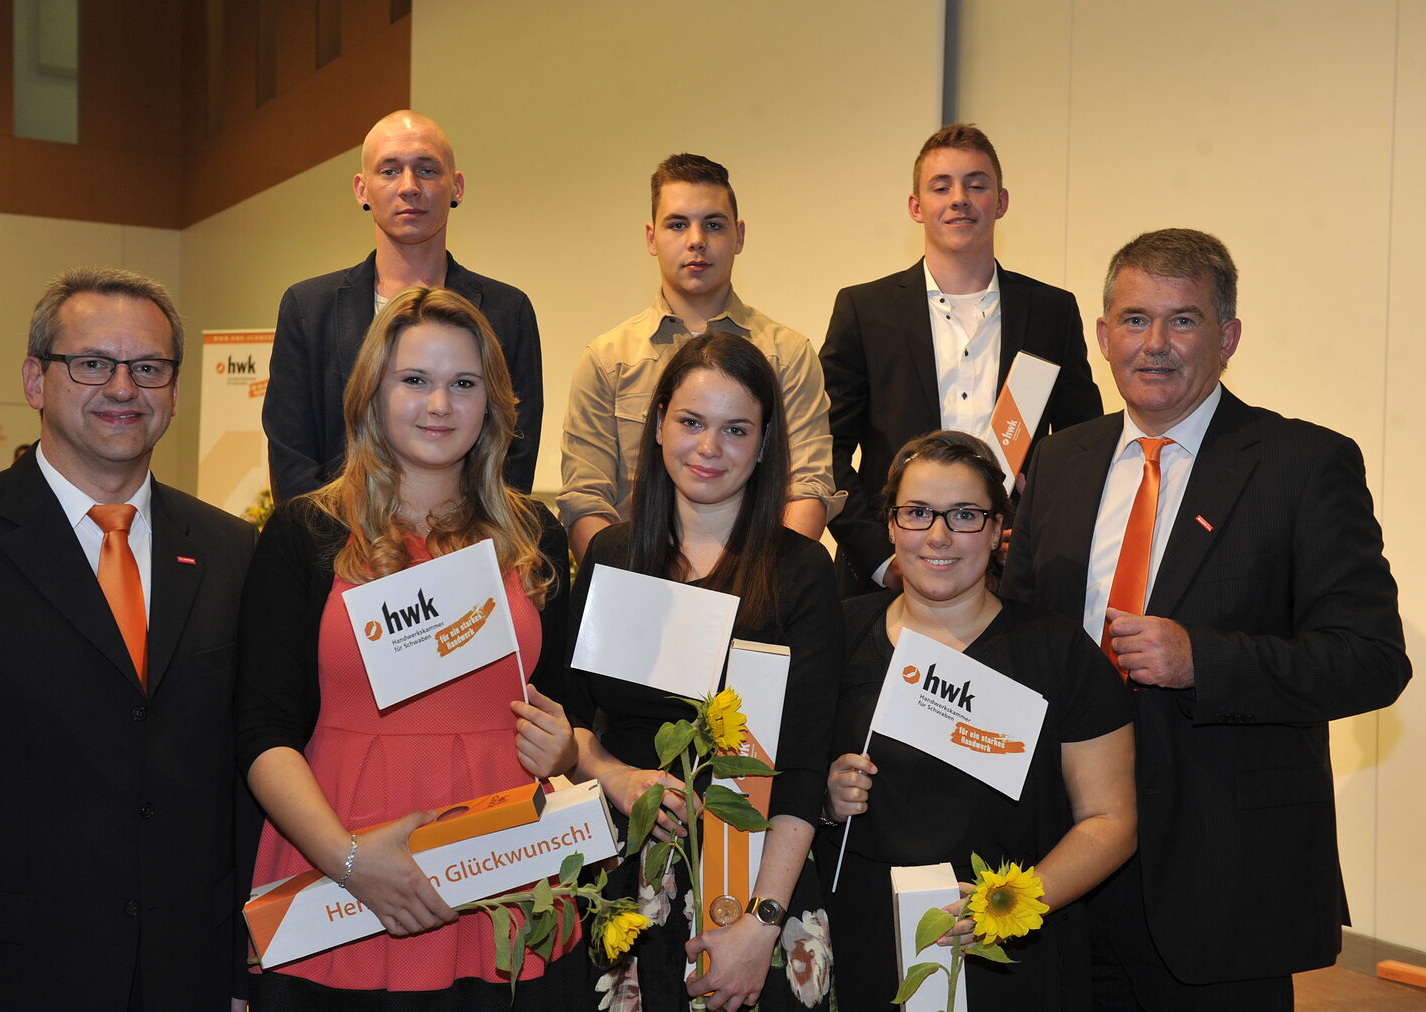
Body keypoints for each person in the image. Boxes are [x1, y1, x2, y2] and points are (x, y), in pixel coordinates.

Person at [1002, 229, 1412, 1009]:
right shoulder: (1059, 463)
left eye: (1183, 321)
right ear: (1101, 335)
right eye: (1133, 320)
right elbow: (1020, 646)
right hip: (1063, 882)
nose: (1154, 345)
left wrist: (1204, 662)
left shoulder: (1303, 464)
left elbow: (1372, 659)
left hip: (1223, 886)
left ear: (1227, 338)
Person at [0, 267, 257, 1008]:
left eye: (150, 368)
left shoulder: (233, 550)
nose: (124, 389)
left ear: (174, 388)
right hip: (10, 973)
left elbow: (242, 773)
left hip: (187, 972)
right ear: (36, 380)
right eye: (92, 364)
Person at [237, 287, 580, 1007]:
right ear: (371, 393)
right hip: (341, 869)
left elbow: (571, 712)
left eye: (463, 384)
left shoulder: (536, 538)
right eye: (414, 380)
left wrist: (568, 746)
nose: (439, 405)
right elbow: (261, 731)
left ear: (493, 404)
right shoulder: (307, 531)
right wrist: (351, 862)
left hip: (506, 871)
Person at [568, 332, 841, 1011]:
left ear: (765, 441)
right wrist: (617, 777)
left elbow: (802, 771)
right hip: (623, 881)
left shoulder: (802, 574)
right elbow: (566, 724)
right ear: (658, 422)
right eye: (691, 422)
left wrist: (763, 924)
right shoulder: (610, 555)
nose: (709, 448)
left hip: (756, 886)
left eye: (736, 429)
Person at [819, 431, 1135, 1009]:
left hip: (1014, 955)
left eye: (964, 515)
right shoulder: (836, 638)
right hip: (863, 942)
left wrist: (1014, 903)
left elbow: (1111, 819)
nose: (938, 536)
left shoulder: (1058, 652)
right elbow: (774, 785)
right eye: (917, 513)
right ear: (891, 526)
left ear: (996, 530)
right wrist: (824, 796)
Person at [820, 123, 1102, 597]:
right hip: (889, 580)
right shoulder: (864, 310)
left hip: (1012, 579)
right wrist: (880, 556)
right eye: (941, 186)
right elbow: (824, 449)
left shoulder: (1052, 311)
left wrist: (1041, 529)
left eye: (976, 183)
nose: (960, 198)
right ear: (916, 207)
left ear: (1001, 200)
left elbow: (1083, 447)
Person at [560, 153, 842, 563]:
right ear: (651, 237)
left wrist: (755, 585)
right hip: (637, 591)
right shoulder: (606, 360)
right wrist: (630, 589)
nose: (696, 240)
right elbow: (585, 500)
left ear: (739, 236)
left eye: (713, 224)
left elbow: (809, 488)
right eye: (677, 224)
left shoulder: (789, 355)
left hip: (756, 594)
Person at [264, 109, 543, 500]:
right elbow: (291, 456)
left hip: (463, 546)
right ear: (362, 189)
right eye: (390, 170)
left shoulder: (506, 311)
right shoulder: (309, 309)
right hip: (336, 547)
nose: (409, 186)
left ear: (457, 187)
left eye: (427, 170)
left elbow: (515, 453)